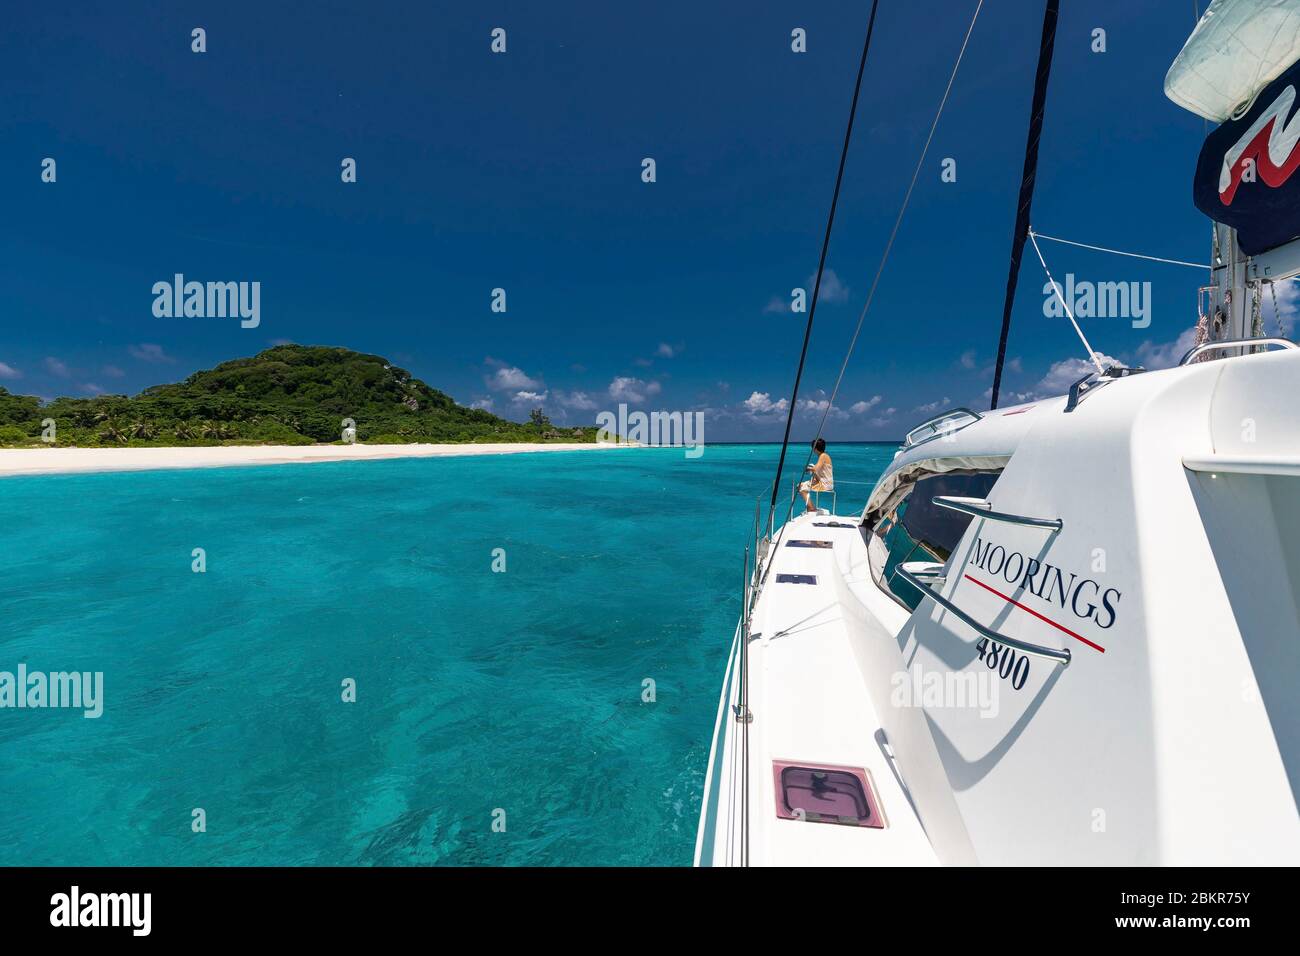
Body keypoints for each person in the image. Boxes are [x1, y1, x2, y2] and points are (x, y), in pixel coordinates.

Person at [799, 438, 834, 513]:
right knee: (800, 485)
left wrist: (808, 468)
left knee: (801, 487)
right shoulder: (824, 456)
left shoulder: (823, 456)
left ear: (815, 449)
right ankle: (810, 507)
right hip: (824, 482)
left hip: (825, 484)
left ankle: (811, 508)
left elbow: (816, 468)